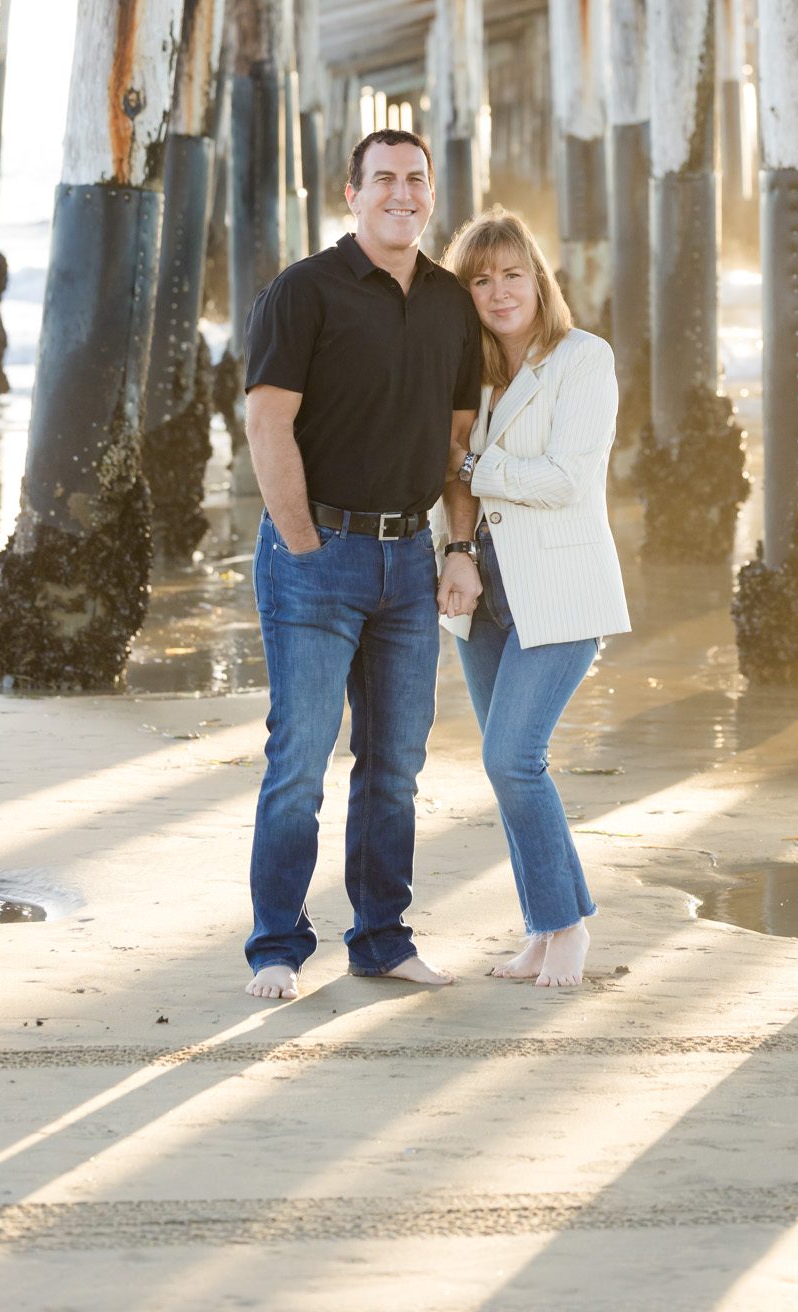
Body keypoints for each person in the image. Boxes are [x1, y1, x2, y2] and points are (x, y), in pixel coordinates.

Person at [241, 130, 484, 1001]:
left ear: (431, 194)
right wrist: (303, 543)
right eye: (383, 178)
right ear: (351, 194)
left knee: (393, 770)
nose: (401, 193)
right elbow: (267, 423)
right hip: (316, 556)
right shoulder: (304, 290)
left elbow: (457, 445)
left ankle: (381, 939)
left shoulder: (451, 303)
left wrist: (459, 548)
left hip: (409, 565)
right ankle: (276, 947)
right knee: (299, 765)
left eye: (415, 179)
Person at [437, 210, 632, 990]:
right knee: (505, 768)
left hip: (560, 593)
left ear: (538, 280)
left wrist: (469, 465)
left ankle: (567, 927)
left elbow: (564, 480)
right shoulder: (471, 373)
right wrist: (455, 552)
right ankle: (544, 927)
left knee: (512, 759)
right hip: (481, 594)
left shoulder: (583, 358)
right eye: (480, 280)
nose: (499, 292)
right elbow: (443, 474)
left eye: (512, 274)